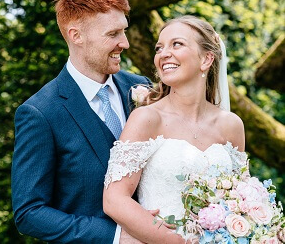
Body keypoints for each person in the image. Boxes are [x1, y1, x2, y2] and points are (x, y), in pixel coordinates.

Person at [11, 0, 151, 242]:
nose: (126, 43)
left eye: (125, 31)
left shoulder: (141, 88)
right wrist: (115, 237)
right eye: (113, 34)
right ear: (76, 35)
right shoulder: (39, 113)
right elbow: (29, 212)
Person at [103, 15, 247, 243]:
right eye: (159, 48)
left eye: (176, 44)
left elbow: (240, 201)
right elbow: (114, 199)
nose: (163, 54)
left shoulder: (231, 125)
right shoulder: (147, 118)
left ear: (206, 59)